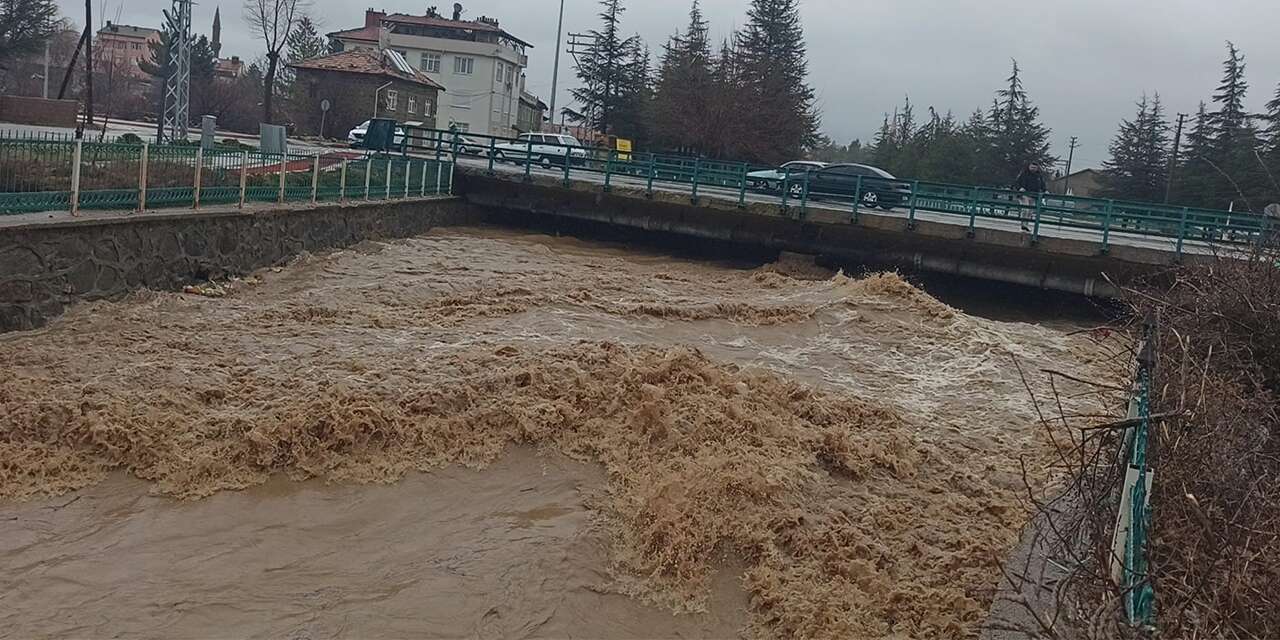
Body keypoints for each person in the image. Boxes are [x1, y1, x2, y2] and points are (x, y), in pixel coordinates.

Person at [1013, 163, 1047, 231]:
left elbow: (1042, 185)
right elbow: (1017, 183)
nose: (1033, 169)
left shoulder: (1039, 176)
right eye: (1032, 167)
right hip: (1024, 194)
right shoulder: (1024, 174)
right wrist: (1020, 188)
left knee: (1030, 212)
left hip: (1033, 196)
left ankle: (1026, 225)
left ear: (1037, 168)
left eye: (1034, 167)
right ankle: (1023, 225)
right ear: (1029, 167)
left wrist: (1045, 190)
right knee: (1025, 209)